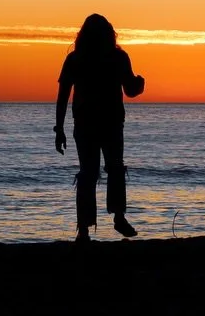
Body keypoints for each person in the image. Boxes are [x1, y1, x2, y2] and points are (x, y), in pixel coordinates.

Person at [54, 14, 146, 242]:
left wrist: (59, 128)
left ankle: (84, 230)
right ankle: (118, 217)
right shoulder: (117, 57)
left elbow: (63, 95)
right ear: (109, 34)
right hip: (111, 123)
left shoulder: (75, 59)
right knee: (114, 169)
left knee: (88, 174)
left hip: (85, 123)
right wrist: (140, 82)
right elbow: (131, 90)